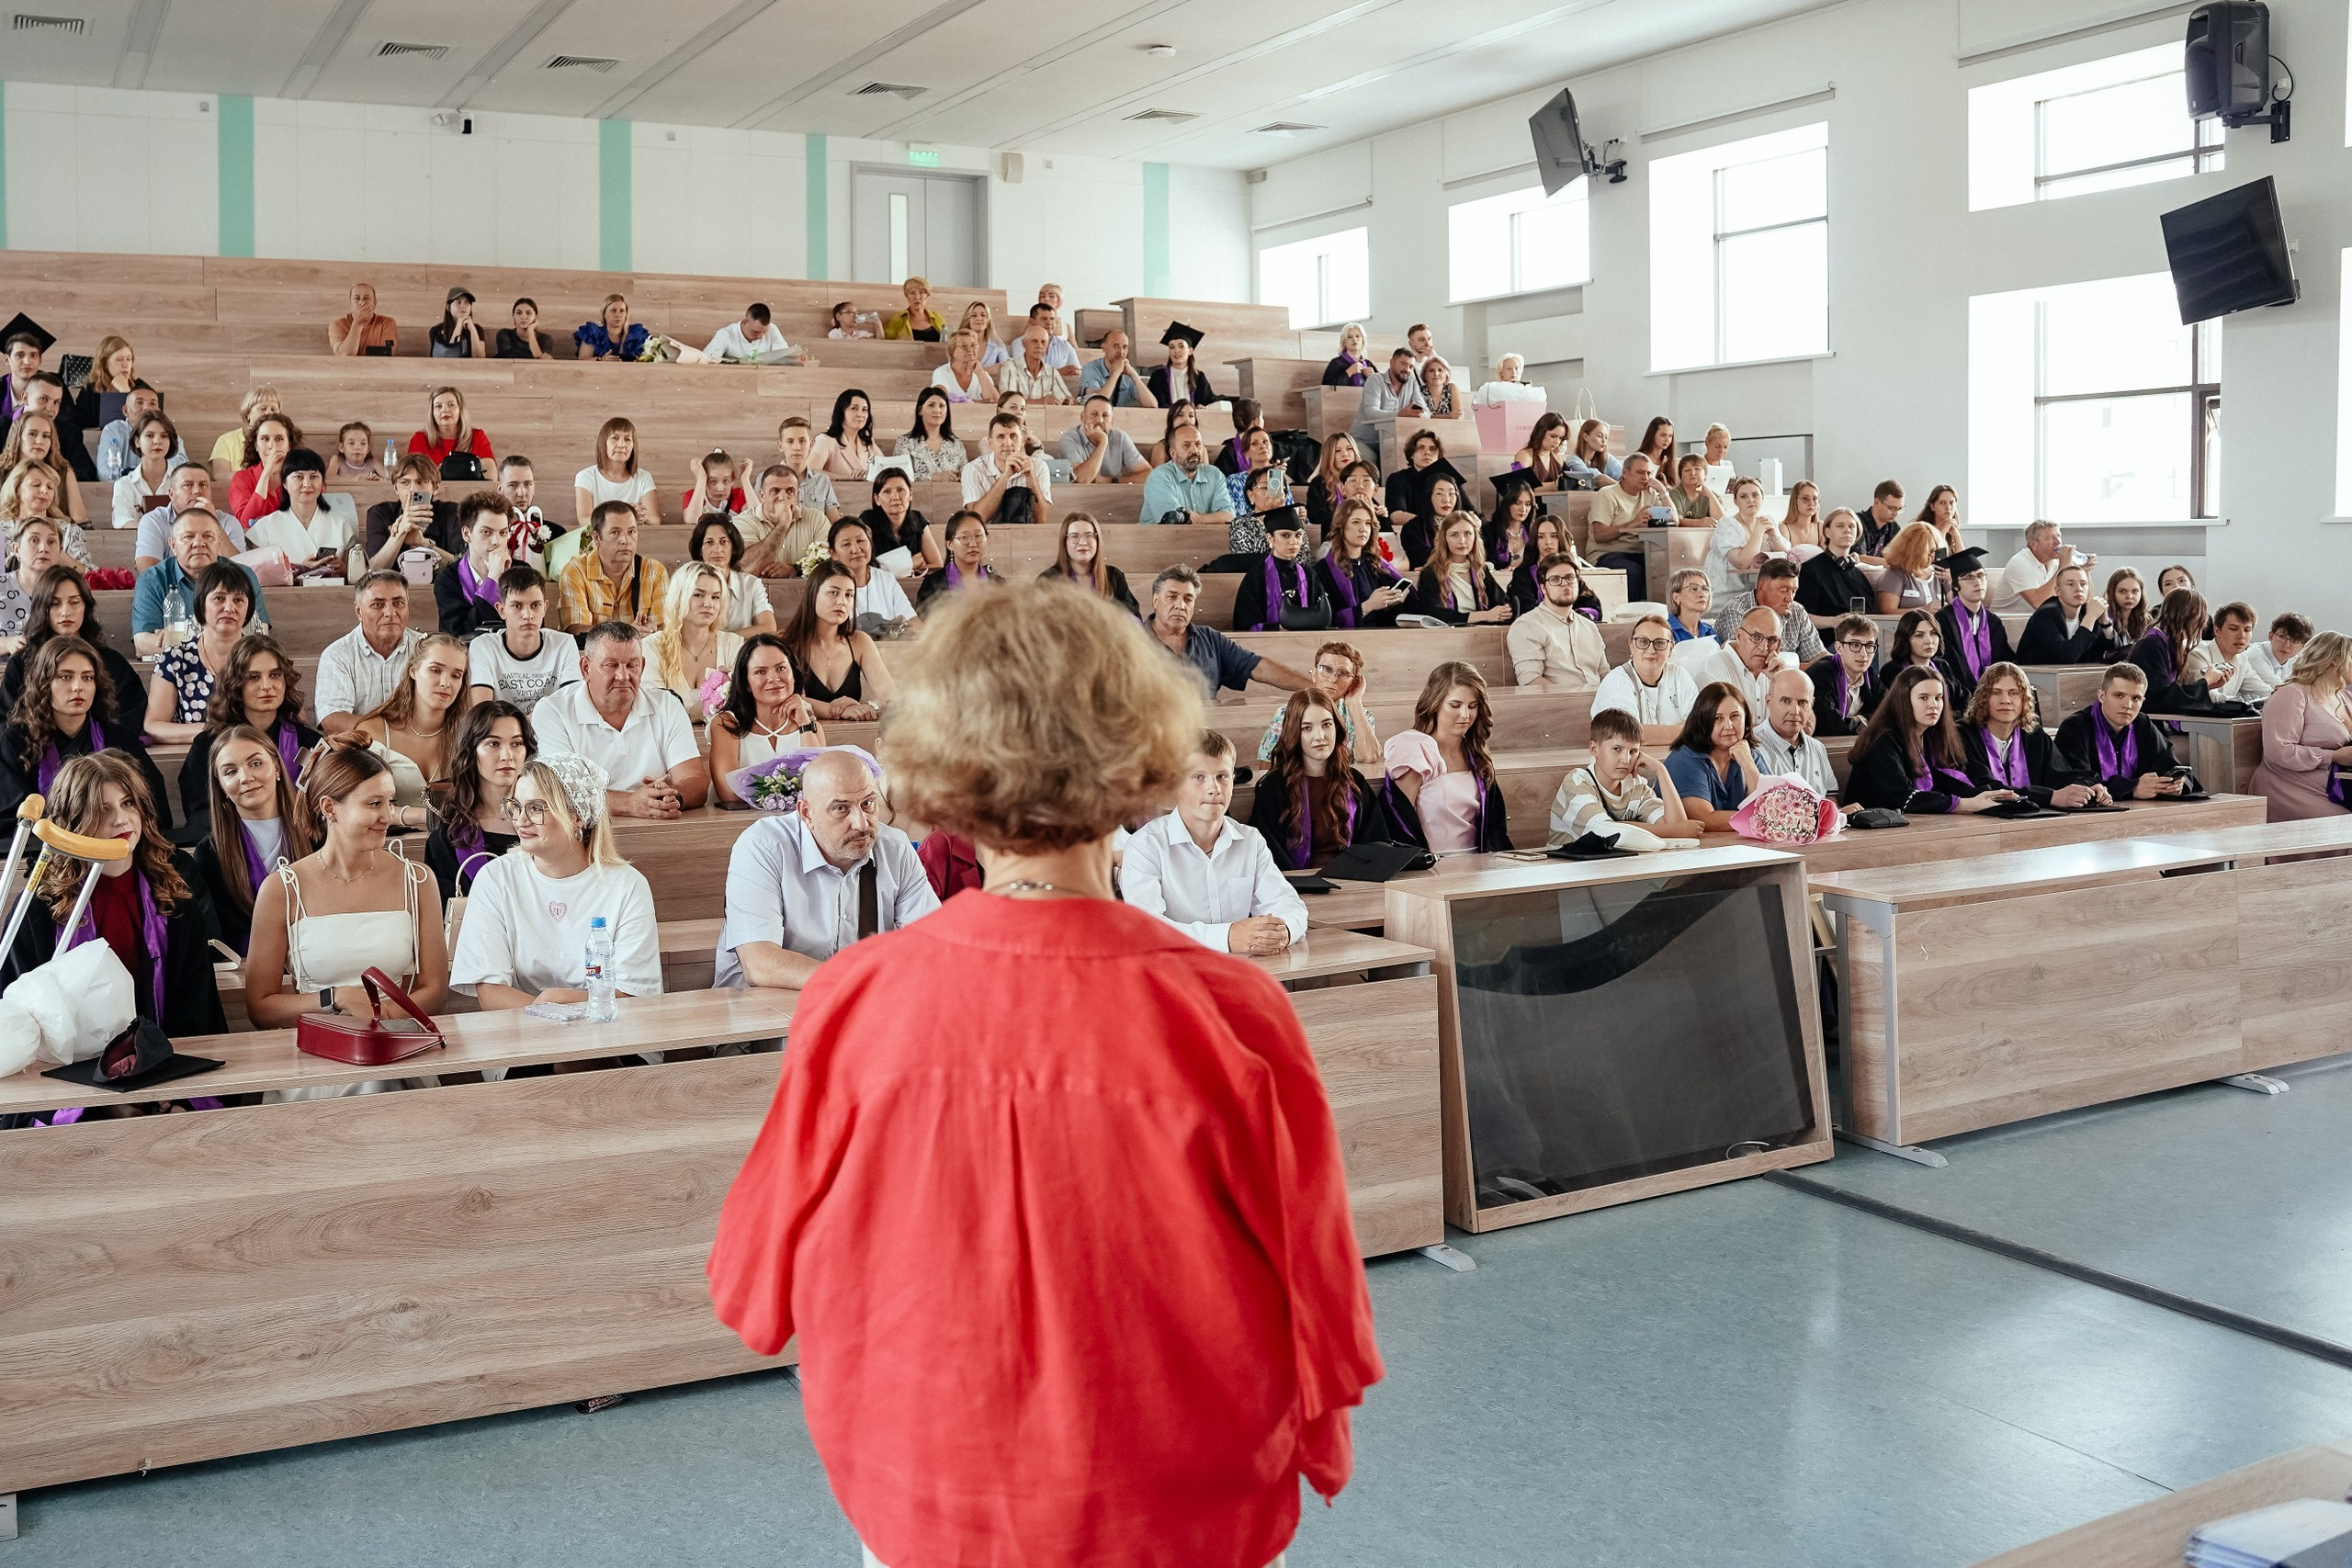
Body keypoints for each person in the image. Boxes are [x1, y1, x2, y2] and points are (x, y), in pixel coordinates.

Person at [708, 574, 1376, 1567]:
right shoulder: (1233, 1013)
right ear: (1138, 753)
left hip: (930, 1496)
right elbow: (1321, 1315)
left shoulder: (851, 1002)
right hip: (1176, 1508)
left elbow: (751, 1288)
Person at [0, 750, 226, 1039]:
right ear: (74, 820)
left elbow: (196, 1001)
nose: (121, 820)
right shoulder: (38, 908)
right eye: (103, 809)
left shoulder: (175, 893)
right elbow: (16, 1007)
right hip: (67, 1068)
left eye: (128, 802)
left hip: (165, 1057)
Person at [243, 737, 450, 1034]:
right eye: (373, 804)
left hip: (395, 1040)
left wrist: (382, 1017)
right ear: (330, 808)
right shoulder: (282, 889)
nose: (387, 816)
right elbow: (261, 1008)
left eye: (390, 802)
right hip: (318, 1052)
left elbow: (435, 990)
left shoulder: (417, 880)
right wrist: (336, 998)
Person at [452, 753, 663, 1010]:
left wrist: (558, 1002)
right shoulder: (495, 878)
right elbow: (490, 992)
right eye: (516, 806)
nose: (520, 820)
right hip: (524, 1032)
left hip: (610, 1036)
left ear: (577, 816)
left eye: (536, 808)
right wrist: (552, 1012)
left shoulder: (628, 886)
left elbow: (633, 996)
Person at [712, 748, 935, 989]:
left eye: (868, 804)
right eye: (841, 808)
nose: (861, 824)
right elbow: (760, 964)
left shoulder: (895, 848)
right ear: (806, 813)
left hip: (857, 1003)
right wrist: (863, 982)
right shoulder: (763, 847)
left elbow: (933, 945)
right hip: (758, 1006)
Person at [1125, 733, 1308, 951]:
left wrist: (1283, 931)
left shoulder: (1250, 841)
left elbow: (1289, 905)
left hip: (1239, 971)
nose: (1214, 788)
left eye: (1222, 776)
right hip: (1173, 973)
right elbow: (1148, 931)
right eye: (1198, 777)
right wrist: (1227, 938)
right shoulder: (1145, 847)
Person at [530, 621, 709, 819]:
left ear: (642, 666)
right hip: (584, 834)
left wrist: (669, 797)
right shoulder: (553, 710)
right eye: (611, 665)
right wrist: (630, 803)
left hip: (659, 828)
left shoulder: (667, 705)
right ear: (585, 668)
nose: (623, 676)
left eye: (632, 665)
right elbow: (560, 792)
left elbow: (695, 780)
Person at [0, 634, 168, 820]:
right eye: (65, 677)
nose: (78, 687)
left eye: (87, 677)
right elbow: (12, 820)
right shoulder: (17, 741)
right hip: (44, 847)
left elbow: (154, 806)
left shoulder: (119, 739)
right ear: (43, 683)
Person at [193, 722, 318, 955]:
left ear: (278, 768)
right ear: (220, 786)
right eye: (230, 772)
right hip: (247, 966)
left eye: (256, 763)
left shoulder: (318, 834)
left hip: (319, 956)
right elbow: (219, 932)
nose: (245, 777)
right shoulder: (209, 854)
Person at [177, 631, 320, 829]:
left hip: (301, 844)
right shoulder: (208, 745)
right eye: (253, 677)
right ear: (235, 684)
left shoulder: (308, 742)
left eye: (275, 675)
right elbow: (201, 813)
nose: (267, 686)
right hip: (233, 845)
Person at [1841, 666, 2018, 816]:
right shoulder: (1882, 740)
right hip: (1873, 832)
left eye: (1938, 698)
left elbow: (1952, 781)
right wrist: (1966, 804)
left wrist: (1988, 795)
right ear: (1904, 700)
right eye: (1923, 698)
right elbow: (1902, 797)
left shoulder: (1930, 737)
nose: (1933, 705)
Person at [0, 565, 143, 738]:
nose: (66, 612)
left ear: (86, 606)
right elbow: (8, 724)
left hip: (103, 755)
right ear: (41, 609)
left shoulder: (112, 662)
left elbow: (130, 718)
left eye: (74, 602)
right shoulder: (21, 664)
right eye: (55, 604)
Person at [1384, 661, 1509, 852]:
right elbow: (1399, 823)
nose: (1465, 715)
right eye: (1455, 705)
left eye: (1472, 706)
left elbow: (1495, 827)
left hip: (1479, 866)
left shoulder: (1476, 755)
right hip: (1429, 866)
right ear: (1435, 704)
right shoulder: (1417, 750)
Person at [351, 632, 474, 811]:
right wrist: (418, 817)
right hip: (386, 837)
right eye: (435, 670)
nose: (446, 683)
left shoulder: (467, 734)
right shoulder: (373, 731)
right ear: (413, 670)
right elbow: (357, 806)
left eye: (456, 675)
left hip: (451, 837)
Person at [424, 700, 534, 901]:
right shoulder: (446, 841)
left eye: (516, 743)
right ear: (471, 751)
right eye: (494, 744)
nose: (507, 756)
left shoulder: (546, 824)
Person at [1145, 564, 1307, 700]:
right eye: (1172, 597)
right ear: (1155, 601)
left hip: (1207, 732)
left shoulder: (1210, 639)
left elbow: (1258, 667)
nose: (1180, 606)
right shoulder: (1131, 642)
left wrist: (1315, 688)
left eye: (1188, 599)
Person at [1960, 662, 2102, 809]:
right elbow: (1986, 788)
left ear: (2024, 700)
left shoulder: (2034, 737)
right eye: (1996, 692)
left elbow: (2061, 775)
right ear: (1983, 698)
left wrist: (2090, 787)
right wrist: (2049, 797)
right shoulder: (1964, 736)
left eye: (2013, 693)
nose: (2006, 700)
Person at [143, 560, 257, 744]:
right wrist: (217, 733)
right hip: (196, 757)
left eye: (238, 600)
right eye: (219, 599)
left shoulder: (263, 657)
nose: (229, 608)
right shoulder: (175, 658)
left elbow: (290, 719)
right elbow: (154, 726)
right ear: (201, 604)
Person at [1551, 707, 1701, 845]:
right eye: (1617, 749)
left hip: (1612, 866)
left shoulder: (1637, 785)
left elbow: (1679, 828)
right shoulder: (1577, 783)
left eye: (1633, 752)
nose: (1626, 760)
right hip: (1563, 870)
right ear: (1594, 748)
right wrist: (1674, 831)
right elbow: (1606, 832)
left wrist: (1661, 771)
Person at [708, 635, 825, 809]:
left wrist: (804, 723)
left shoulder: (810, 727)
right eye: (760, 672)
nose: (773, 678)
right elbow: (729, 793)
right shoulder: (727, 723)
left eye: (781, 668)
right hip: (738, 825)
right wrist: (793, 793)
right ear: (746, 682)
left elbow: (822, 786)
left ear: (793, 674)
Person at [2250, 632, 2352, 821]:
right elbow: (2279, 751)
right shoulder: (2292, 694)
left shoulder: (2346, 697)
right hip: (2291, 788)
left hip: (2338, 785)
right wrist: (2335, 756)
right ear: (2335, 660)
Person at [2053, 662, 2190, 801]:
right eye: (2119, 696)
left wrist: (2174, 784)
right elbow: (2076, 781)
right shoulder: (2075, 728)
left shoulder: (2143, 725)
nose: (2128, 705)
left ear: (2143, 701)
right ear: (2101, 696)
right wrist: (2132, 788)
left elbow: (2171, 765)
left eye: (2135, 698)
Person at [784, 560, 893, 722]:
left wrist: (868, 707)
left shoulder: (860, 641)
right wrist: (840, 711)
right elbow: (791, 699)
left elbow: (890, 695)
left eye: (849, 595)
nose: (842, 601)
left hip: (851, 738)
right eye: (834, 593)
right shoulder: (788, 643)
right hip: (803, 736)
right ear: (813, 594)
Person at [316, 571, 424, 732]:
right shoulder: (337, 655)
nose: (390, 613)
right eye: (378, 605)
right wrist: (391, 736)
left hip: (418, 747)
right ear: (358, 611)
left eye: (398, 603)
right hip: (360, 750)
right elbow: (332, 719)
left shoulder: (424, 649)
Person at [465, 565, 579, 715]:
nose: (528, 615)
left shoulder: (564, 644)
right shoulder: (483, 646)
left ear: (545, 608)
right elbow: (482, 713)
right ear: (501, 610)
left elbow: (572, 707)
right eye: (517, 606)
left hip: (551, 735)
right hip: (500, 735)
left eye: (535, 605)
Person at [645, 563, 741, 721]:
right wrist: (707, 709)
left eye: (715, 597)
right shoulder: (651, 647)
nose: (708, 604)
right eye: (698, 595)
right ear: (679, 597)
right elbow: (655, 709)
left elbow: (743, 705)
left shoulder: (733, 645)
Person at [560, 501, 669, 636]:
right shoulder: (575, 572)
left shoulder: (655, 571)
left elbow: (664, 630)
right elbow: (578, 631)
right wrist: (630, 632)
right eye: (615, 532)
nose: (625, 540)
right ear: (597, 538)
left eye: (631, 532)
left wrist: (653, 630)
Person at [1662, 682, 1760, 831]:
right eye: (1717, 718)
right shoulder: (1683, 760)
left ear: (1745, 719)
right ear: (1702, 721)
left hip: (1734, 846)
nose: (1728, 726)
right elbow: (1705, 819)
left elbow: (1772, 805)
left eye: (1735, 716)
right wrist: (1760, 818)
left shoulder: (1749, 755)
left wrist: (1749, 767)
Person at [1593, 614, 1700, 747]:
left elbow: (1700, 727)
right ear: (1631, 646)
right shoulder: (1617, 681)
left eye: (1660, 643)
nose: (1651, 650)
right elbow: (1629, 735)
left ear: (1671, 649)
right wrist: (1686, 731)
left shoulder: (1680, 675)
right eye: (1643, 642)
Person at [1507, 553, 1609, 688]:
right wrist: (1577, 699)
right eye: (1555, 579)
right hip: (1558, 706)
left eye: (1570, 578)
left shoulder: (1589, 626)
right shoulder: (1527, 626)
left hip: (1601, 704)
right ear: (1543, 588)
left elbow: (1605, 674)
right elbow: (1531, 681)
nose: (1565, 584)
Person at [243, 446, 353, 569]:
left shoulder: (341, 525)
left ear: (322, 483)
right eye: (299, 477)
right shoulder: (265, 527)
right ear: (284, 483)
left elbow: (355, 576)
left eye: (314, 477)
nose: (307, 484)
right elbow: (257, 575)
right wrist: (300, 569)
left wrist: (343, 570)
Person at [432, 490, 514, 641]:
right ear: (466, 534)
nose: (496, 541)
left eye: (503, 533)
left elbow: (533, 629)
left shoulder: (523, 573)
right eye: (486, 532)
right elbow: (459, 635)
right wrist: (493, 579)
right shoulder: (447, 580)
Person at [1586, 454, 1669, 601]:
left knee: (1662, 567)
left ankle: (1657, 614)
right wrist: (1632, 524)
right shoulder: (1607, 495)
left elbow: (1673, 519)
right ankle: (1630, 615)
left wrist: (1663, 491)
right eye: (1640, 472)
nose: (1645, 477)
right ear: (1625, 473)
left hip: (1641, 552)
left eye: (1649, 473)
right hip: (1606, 554)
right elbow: (1599, 534)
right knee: (1634, 571)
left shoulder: (1651, 495)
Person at [1317, 497, 1408, 630]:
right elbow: (1324, 621)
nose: (1363, 529)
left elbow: (1395, 618)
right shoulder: (1323, 571)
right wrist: (1368, 606)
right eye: (1356, 522)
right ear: (1341, 526)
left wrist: (1399, 597)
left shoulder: (1379, 566)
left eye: (1367, 523)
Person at [1231, 512, 1332, 633]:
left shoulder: (1309, 576)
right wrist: (1278, 628)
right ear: (1270, 539)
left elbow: (1322, 616)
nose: (1293, 542)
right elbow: (1245, 623)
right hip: (1265, 645)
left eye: (1298, 535)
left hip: (1304, 645)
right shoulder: (1256, 577)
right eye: (1285, 535)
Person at [1716, 558, 1826, 667]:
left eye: (1794, 591)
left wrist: (1836, 663)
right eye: (1783, 590)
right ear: (1761, 586)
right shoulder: (1736, 611)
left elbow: (1818, 656)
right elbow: (1745, 663)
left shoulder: (1797, 611)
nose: (1790, 598)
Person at [365, 452, 461, 570]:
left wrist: (423, 544)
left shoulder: (453, 512)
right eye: (405, 483)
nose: (413, 490)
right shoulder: (379, 513)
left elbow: (464, 568)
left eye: (420, 482)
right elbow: (375, 570)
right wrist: (399, 534)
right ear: (395, 488)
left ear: (435, 487)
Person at [2129, 588, 2221, 713]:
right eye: (2201, 616)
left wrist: (2207, 685)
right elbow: (2162, 700)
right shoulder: (2151, 646)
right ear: (2188, 616)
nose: (2203, 623)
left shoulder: (2169, 645)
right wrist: (2206, 681)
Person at [1750, 668, 1838, 795]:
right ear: (1768, 702)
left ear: (1811, 705)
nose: (1795, 711)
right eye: (1786, 701)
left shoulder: (1817, 748)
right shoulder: (1752, 746)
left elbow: (1830, 799)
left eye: (1803, 702)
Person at [1935, 547, 2012, 690]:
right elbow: (1945, 664)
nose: (1978, 582)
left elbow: (2005, 659)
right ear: (1956, 586)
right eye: (1969, 577)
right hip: (1958, 695)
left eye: (1981, 575)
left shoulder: (1993, 622)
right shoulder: (1943, 621)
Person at [1698, 605, 1790, 726]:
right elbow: (1723, 730)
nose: (1764, 648)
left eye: (1772, 640)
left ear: (1779, 645)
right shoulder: (1713, 668)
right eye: (1756, 637)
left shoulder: (1778, 668)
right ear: (1739, 636)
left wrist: (1782, 680)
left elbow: (1807, 726)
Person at [2017, 562, 2123, 665]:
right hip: (2038, 676)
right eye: (2070, 584)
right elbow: (2067, 656)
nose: (2078, 589)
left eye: (2083, 584)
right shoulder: (2045, 615)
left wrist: (2105, 623)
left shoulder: (2088, 611)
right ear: (2058, 591)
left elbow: (2117, 655)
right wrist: (2090, 617)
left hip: (2078, 677)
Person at [1865, 609, 1963, 716]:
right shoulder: (1892, 670)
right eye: (1920, 635)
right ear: (1905, 639)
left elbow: (1963, 701)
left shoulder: (1943, 666)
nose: (1929, 641)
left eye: (1933, 633)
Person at [738, 465, 832, 576]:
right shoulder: (743, 521)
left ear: (798, 495)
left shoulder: (817, 519)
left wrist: (796, 569)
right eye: (775, 491)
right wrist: (782, 525)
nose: (783, 497)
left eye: (790, 491)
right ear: (762, 496)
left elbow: (828, 563)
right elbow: (748, 568)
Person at [572, 415, 660, 532]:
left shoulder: (644, 477)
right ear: (603, 443)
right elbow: (584, 519)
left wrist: (641, 516)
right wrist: (627, 514)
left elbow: (655, 519)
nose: (621, 445)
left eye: (628, 439)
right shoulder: (585, 477)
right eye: (615, 438)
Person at [1040, 510, 1136, 615]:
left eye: (1089, 536)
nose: (1082, 543)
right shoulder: (1048, 580)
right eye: (1074, 536)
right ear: (1064, 542)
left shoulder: (1113, 576)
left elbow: (1132, 618)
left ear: (1097, 540)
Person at [960, 412, 1052, 523]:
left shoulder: (1039, 466)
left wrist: (1031, 477)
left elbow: (1042, 519)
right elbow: (978, 518)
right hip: (987, 536)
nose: (1008, 443)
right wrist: (1005, 476)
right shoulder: (973, 469)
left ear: (1022, 441)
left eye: (1013, 436)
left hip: (1027, 535)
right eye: (1001, 437)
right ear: (990, 443)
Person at [1141, 423, 1236, 528]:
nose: (1195, 450)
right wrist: (1211, 519)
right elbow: (1175, 524)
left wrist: (1200, 519)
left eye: (1198, 444)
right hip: (1159, 542)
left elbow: (1229, 517)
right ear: (1173, 453)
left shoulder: (1214, 474)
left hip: (1204, 541)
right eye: (1186, 445)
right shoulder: (1159, 477)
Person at [829, 515, 916, 630]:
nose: (856, 549)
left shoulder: (886, 579)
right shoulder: (829, 586)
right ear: (833, 553)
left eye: (860, 541)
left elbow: (913, 622)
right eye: (846, 544)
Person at [1795, 507, 1876, 626]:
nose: (1847, 530)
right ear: (1827, 532)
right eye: (1840, 526)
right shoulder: (1810, 570)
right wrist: (1832, 622)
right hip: (1825, 641)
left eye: (1851, 526)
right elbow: (1799, 616)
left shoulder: (1859, 577)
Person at [1384, 430, 1462, 551]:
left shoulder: (1448, 479)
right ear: (1411, 454)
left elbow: (1470, 511)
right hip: (1418, 536)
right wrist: (1432, 522)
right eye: (1421, 448)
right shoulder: (1398, 479)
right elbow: (1395, 515)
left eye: (1432, 449)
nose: (1427, 453)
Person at [1994, 520, 2093, 614]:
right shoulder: (2020, 562)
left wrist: (2086, 572)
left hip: (2044, 618)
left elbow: (2085, 603)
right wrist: (2063, 567)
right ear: (2033, 544)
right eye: (2049, 538)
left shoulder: (2060, 561)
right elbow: (2039, 603)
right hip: (2010, 622)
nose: (2057, 542)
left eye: (2058, 536)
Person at [1351, 346, 1429, 466]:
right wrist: (1399, 414)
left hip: (1391, 441)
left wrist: (1420, 415)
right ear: (1392, 362)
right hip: (1364, 441)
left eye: (1411, 367)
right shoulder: (1375, 379)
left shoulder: (1411, 382)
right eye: (1403, 364)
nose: (1407, 369)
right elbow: (1371, 412)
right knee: (1369, 458)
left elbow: (1426, 411)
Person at [110, 410, 185, 528]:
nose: (157, 441)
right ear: (137, 441)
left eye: (164, 436)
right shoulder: (124, 484)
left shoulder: (182, 481)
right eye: (150, 436)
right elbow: (122, 519)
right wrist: (151, 536)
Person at [1808, 614, 1879, 737]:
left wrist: (1856, 721)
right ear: (1839, 648)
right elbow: (1828, 726)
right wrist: (1861, 721)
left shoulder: (1869, 674)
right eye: (1855, 645)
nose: (1864, 654)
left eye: (1869, 646)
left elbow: (1888, 713)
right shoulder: (1822, 674)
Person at [2190, 601, 2274, 705]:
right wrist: (2243, 702)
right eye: (2234, 629)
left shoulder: (2242, 659)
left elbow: (2263, 691)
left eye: (2247, 630)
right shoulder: (2198, 654)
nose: (2242, 636)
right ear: (2217, 631)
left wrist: (2282, 694)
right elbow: (2209, 696)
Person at [1398, 469, 1478, 574]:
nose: (1447, 500)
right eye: (1439, 494)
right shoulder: (1413, 528)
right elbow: (1419, 559)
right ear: (1428, 496)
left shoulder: (1466, 525)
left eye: (1451, 493)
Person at [1057, 395, 1149, 485]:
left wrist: (1112, 480)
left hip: (1114, 496)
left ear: (1112, 421)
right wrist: (1103, 442)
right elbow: (1081, 480)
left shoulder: (1120, 437)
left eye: (1105, 416)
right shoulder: (1069, 439)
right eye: (1094, 414)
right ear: (1083, 417)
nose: (1100, 420)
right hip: (1078, 497)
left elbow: (1148, 474)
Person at [915, 510, 998, 609]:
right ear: (950, 544)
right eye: (964, 537)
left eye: (978, 536)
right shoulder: (932, 584)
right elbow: (925, 622)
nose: (973, 544)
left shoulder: (997, 582)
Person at [94, 385, 175, 484]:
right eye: (139, 403)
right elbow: (105, 474)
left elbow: (180, 471)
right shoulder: (113, 430)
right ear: (125, 411)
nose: (147, 408)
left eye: (152, 403)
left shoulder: (167, 431)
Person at [408, 385, 493, 473]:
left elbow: (490, 475)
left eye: (451, 405)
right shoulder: (420, 439)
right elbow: (412, 475)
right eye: (438, 406)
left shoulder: (477, 436)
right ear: (432, 413)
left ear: (460, 410)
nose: (445, 410)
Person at [894, 387, 968, 482]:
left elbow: (967, 475)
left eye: (941, 406)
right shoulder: (905, 443)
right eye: (931, 405)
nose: (937, 410)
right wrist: (934, 477)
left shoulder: (956, 444)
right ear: (920, 410)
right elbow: (900, 477)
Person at [1077, 327, 1158, 408]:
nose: (1121, 351)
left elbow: (1152, 405)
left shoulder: (1129, 372)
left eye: (1125, 347)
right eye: (1116, 346)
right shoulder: (1091, 368)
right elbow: (1098, 404)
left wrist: (1135, 377)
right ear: (1104, 347)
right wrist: (1116, 373)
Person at [1873, 522, 1943, 614]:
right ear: (1915, 552)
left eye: (1935, 551)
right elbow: (1887, 611)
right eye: (1929, 552)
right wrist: (1924, 609)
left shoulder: (1940, 572)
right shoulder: (1895, 574)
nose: (1933, 556)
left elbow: (1960, 605)